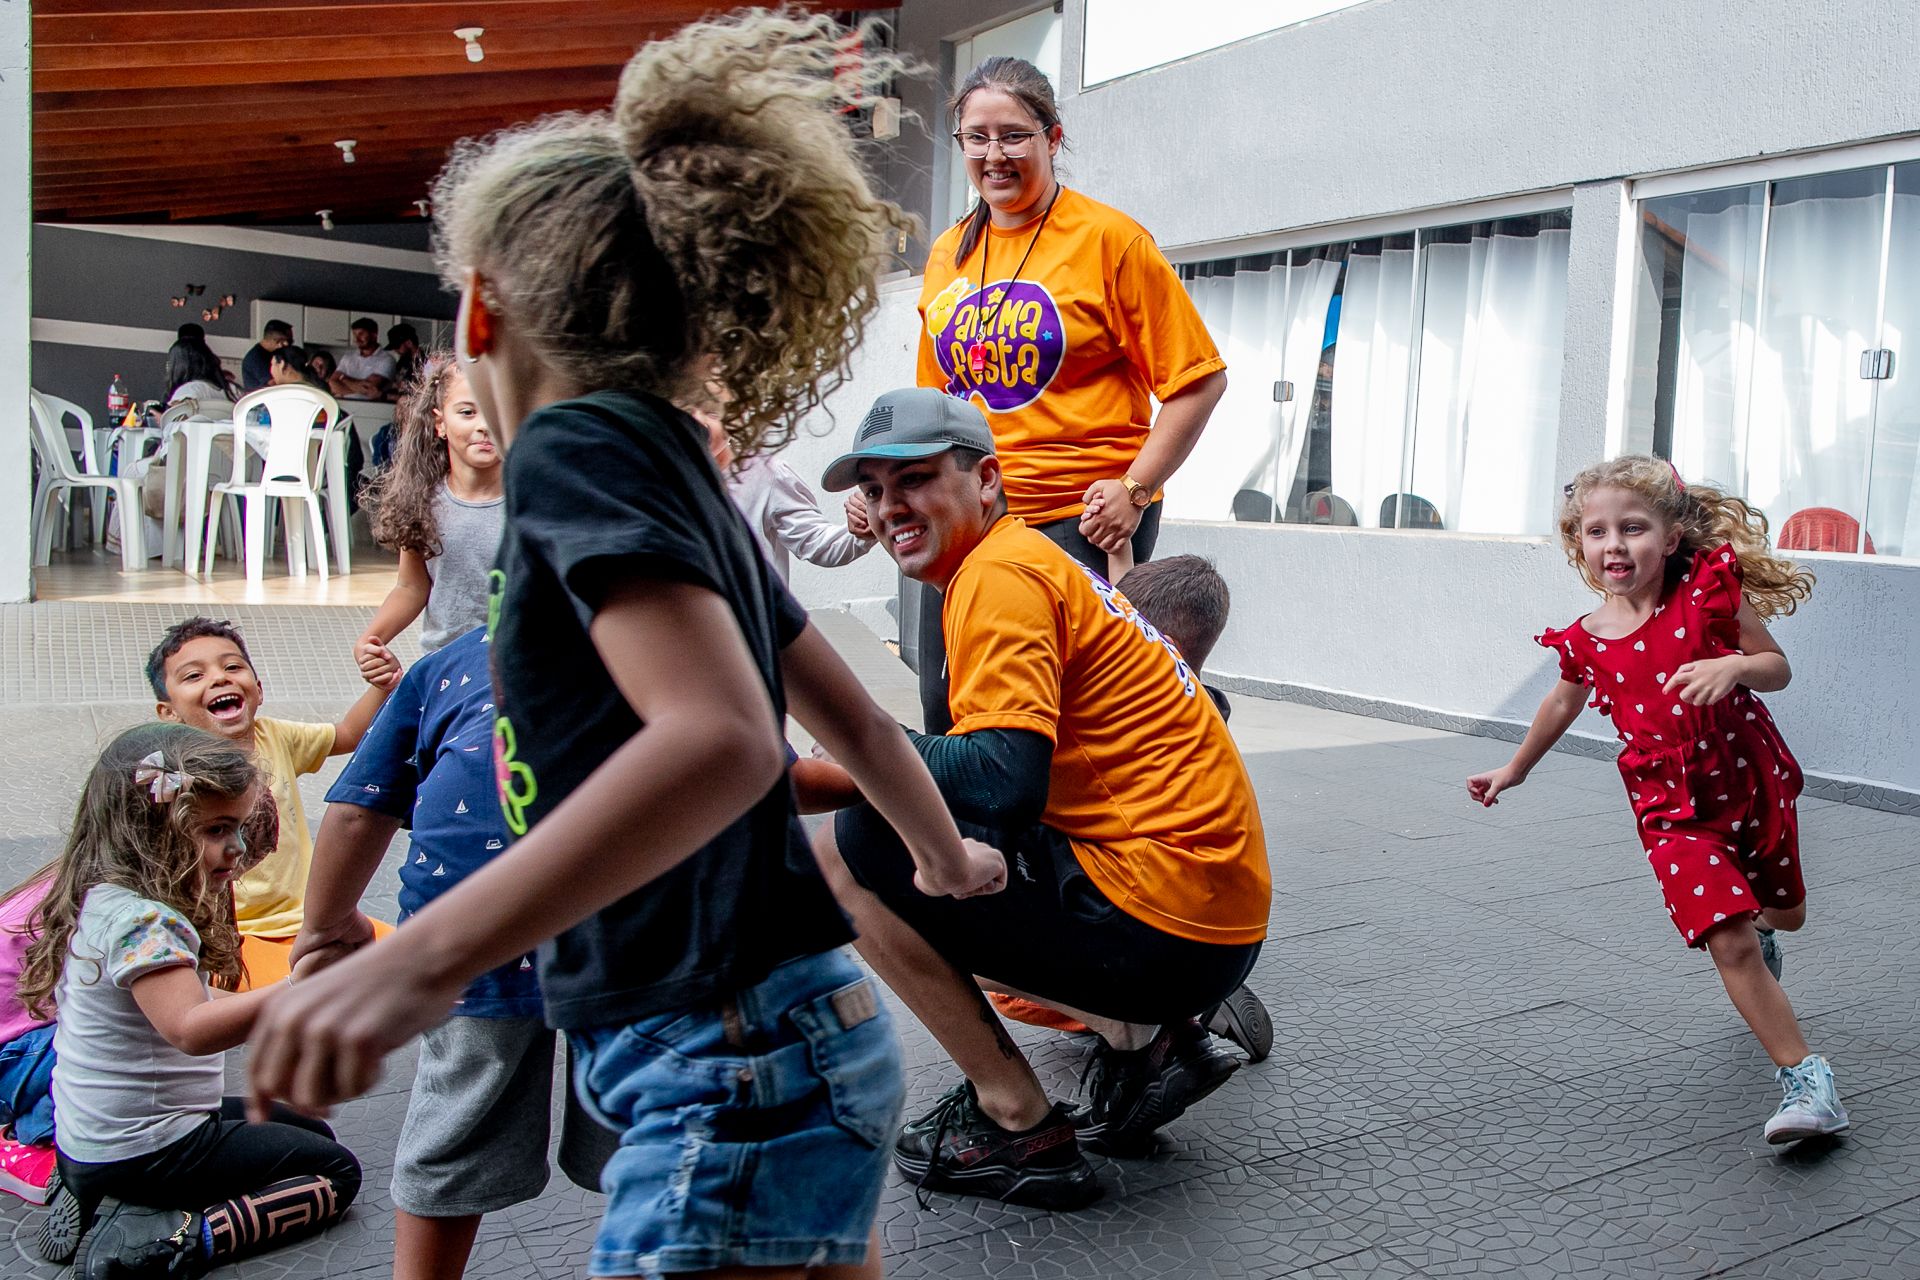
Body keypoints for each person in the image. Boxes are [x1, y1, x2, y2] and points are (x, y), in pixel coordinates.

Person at [246, 13, 1002, 1280]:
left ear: (479, 306)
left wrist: (418, 961)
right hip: (791, 1027)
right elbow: (853, 720)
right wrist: (947, 854)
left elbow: (719, 737)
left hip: (728, 1052)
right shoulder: (677, 475)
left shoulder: (578, 450)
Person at [815, 389, 1271, 1209]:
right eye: (876, 490)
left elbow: (1000, 777)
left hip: (1168, 925)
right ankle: (1152, 1041)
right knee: (929, 840)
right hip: (1207, 919)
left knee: (848, 846)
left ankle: (1017, 1122)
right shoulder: (1023, 562)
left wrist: (833, 764)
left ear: (986, 480)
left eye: (915, 479)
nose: (891, 508)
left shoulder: (1000, 576)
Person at [1467, 456, 1846, 1145]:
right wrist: (1516, 767)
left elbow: (1777, 667)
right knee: (1725, 941)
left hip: (1746, 781)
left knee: (1783, 918)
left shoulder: (1708, 597)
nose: (1614, 545)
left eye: (1633, 528)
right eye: (1597, 531)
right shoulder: (1586, 638)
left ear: (1671, 538)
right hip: (1669, 806)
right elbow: (1563, 698)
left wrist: (1735, 664)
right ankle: (1807, 1083)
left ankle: (1763, 933)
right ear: (1579, 543)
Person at [873, 56, 1228, 733]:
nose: (994, 154)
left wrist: (1137, 490)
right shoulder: (950, 252)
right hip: (967, 523)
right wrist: (885, 486)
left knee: (1065, 723)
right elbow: (935, 404)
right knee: (947, 706)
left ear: (1052, 139)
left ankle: (1063, 845)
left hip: (1077, 522)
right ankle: (973, 845)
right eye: (976, 137)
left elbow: (1198, 381)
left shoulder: (1109, 241)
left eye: (1014, 135)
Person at [20, 723, 361, 1278]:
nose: (238, 847)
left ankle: (95, 1193)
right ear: (150, 831)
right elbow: (193, 1029)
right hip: (151, 1149)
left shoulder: (104, 897)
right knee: (334, 1172)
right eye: (219, 829)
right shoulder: (146, 922)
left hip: (95, 1138)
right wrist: (303, 988)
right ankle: (173, 1240)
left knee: (308, 1132)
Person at [289, 627, 552, 1280]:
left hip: (466, 937)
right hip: (633, 939)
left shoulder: (450, 663)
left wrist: (324, 927)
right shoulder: (674, 639)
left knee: (451, 1130)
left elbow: (359, 811)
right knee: (651, 1138)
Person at [148, 617, 394, 986]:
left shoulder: (275, 736)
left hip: (314, 921)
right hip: (233, 935)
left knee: (424, 966)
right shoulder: (172, 772)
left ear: (258, 691)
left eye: (232, 667)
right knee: (309, 999)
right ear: (169, 714)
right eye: (193, 676)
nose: (219, 678)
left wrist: (382, 686)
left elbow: (348, 734)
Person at [354, 356, 502, 684]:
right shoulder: (424, 500)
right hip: (446, 671)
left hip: (515, 672)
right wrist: (371, 640)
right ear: (440, 423)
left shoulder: (532, 502)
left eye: (497, 411)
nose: (484, 425)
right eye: (467, 412)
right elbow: (411, 585)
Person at [704, 410, 875, 582]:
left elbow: (817, 544)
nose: (698, 421)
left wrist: (863, 526)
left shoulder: (765, 474)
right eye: (685, 409)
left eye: (710, 411)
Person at [0, 874, 58, 1205]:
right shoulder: (110, 904)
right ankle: (28, 1140)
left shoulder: (75, 877)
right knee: (114, 1032)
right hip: (11, 1051)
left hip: (20, 1035)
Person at [327, 317, 398, 400]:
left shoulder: (387, 360)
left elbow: (369, 388)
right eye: (354, 334)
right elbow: (332, 384)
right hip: (346, 407)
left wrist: (344, 379)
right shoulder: (347, 358)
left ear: (374, 335)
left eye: (361, 334)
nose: (357, 339)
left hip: (372, 409)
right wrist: (359, 388)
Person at [241, 320, 294, 391]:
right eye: (290, 341)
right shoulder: (256, 359)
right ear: (281, 342)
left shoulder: (271, 353)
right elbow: (275, 385)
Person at [384, 322, 423, 399]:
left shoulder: (426, 363)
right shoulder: (403, 361)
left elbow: (422, 392)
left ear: (409, 343)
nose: (395, 350)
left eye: (397, 346)